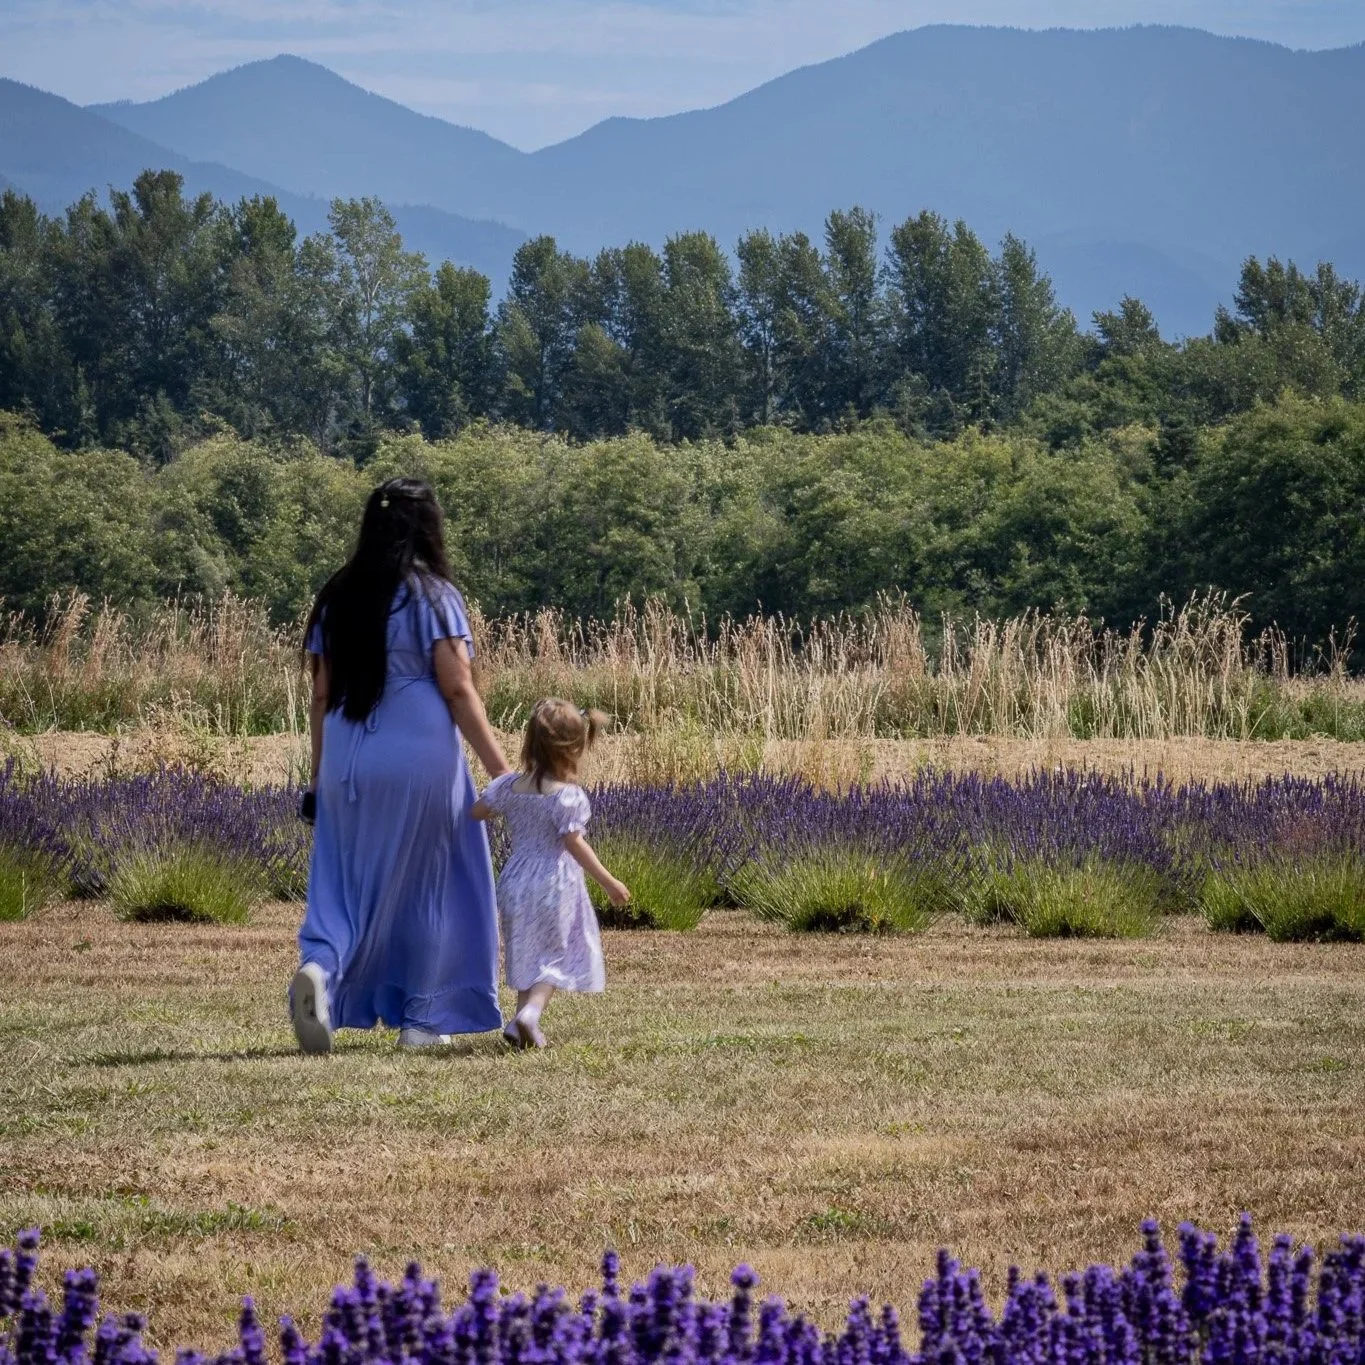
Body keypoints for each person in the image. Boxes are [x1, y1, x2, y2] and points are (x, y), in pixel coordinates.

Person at [289, 477, 512, 1054]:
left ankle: (322, 972)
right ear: (428, 527)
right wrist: (503, 774)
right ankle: (423, 1018)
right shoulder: (434, 597)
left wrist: (318, 779)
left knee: (340, 882)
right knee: (431, 884)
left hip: (347, 758)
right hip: (420, 756)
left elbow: (320, 696)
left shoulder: (337, 597)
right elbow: (459, 690)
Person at [471, 698, 630, 1049]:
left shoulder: (509, 787)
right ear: (574, 749)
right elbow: (573, 843)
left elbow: (477, 812)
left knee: (526, 951)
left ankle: (516, 1024)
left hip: (515, 881)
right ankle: (531, 1014)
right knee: (555, 955)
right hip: (555, 882)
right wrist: (608, 881)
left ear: (529, 743)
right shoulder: (567, 797)